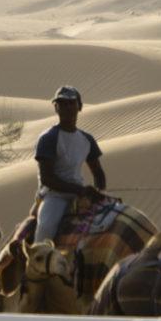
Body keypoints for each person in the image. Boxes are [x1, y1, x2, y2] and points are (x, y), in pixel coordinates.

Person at [32, 86, 106, 243]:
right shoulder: (48, 138)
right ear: (56, 108)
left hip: (80, 194)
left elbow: (98, 173)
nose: (67, 107)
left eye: (71, 103)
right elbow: (47, 178)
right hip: (54, 196)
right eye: (62, 103)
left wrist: (98, 192)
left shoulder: (87, 139)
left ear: (79, 106)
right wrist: (80, 190)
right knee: (46, 228)